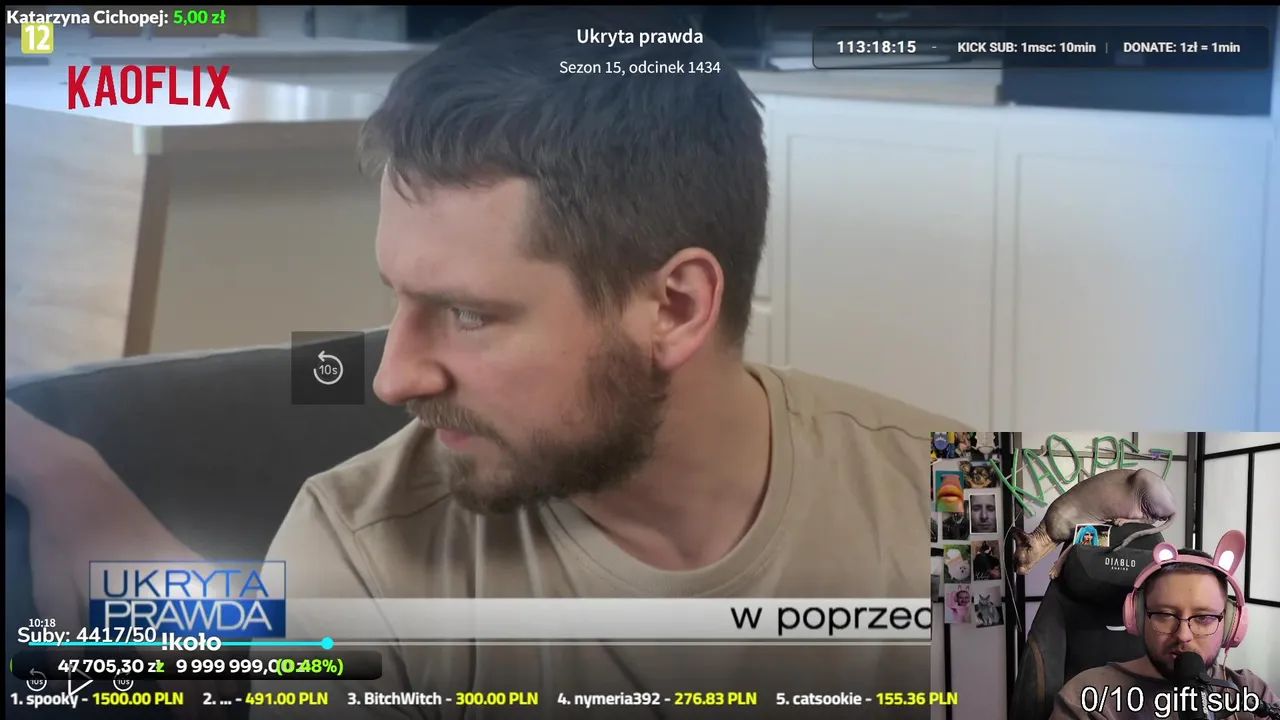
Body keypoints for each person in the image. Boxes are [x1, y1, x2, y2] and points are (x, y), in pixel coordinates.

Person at [5, 7, 964, 718]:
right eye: (399, 298)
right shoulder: (358, 561)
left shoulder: (969, 496)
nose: (392, 379)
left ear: (673, 306)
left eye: (468, 313)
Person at [1050, 537, 1277, 720]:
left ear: (1229, 625)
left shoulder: (1251, 691)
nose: (1183, 635)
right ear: (1138, 617)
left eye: (1204, 617)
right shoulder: (1088, 698)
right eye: (1165, 615)